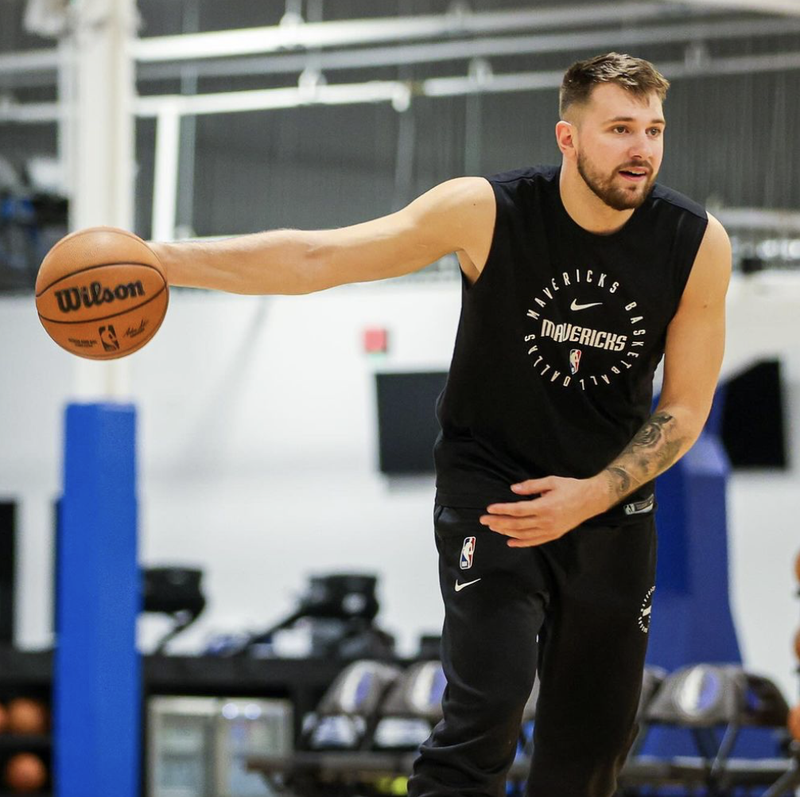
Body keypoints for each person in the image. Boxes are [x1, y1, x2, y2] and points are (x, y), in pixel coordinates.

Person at [150, 52, 731, 797]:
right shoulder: (487, 212)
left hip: (608, 504)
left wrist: (592, 493)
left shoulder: (694, 241)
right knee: (487, 709)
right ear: (568, 137)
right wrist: (161, 259)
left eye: (653, 129)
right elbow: (317, 256)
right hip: (494, 490)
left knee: (591, 748)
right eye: (620, 129)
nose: (642, 149)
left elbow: (685, 408)